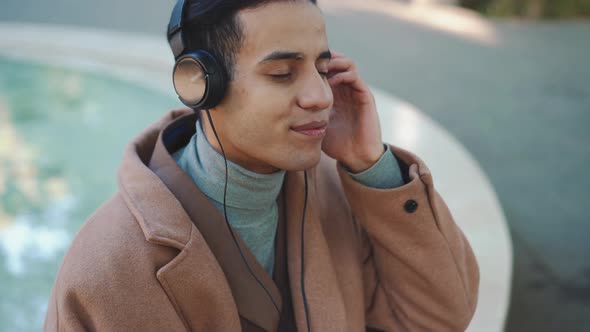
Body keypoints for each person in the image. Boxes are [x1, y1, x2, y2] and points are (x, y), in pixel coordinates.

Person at [44, 0, 479, 331]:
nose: (322, 97)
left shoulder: (344, 193)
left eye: (323, 68)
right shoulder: (107, 274)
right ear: (198, 84)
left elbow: (440, 317)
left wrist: (372, 167)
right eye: (283, 74)